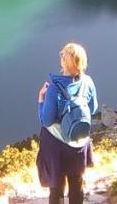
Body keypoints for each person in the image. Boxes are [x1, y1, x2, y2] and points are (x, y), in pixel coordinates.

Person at [36, 42, 99, 204]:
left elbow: (46, 120)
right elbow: (92, 109)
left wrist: (41, 100)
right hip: (79, 141)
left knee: (56, 187)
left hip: (57, 146)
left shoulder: (54, 89)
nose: (61, 58)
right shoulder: (88, 82)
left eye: (62, 56)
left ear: (65, 62)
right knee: (76, 183)